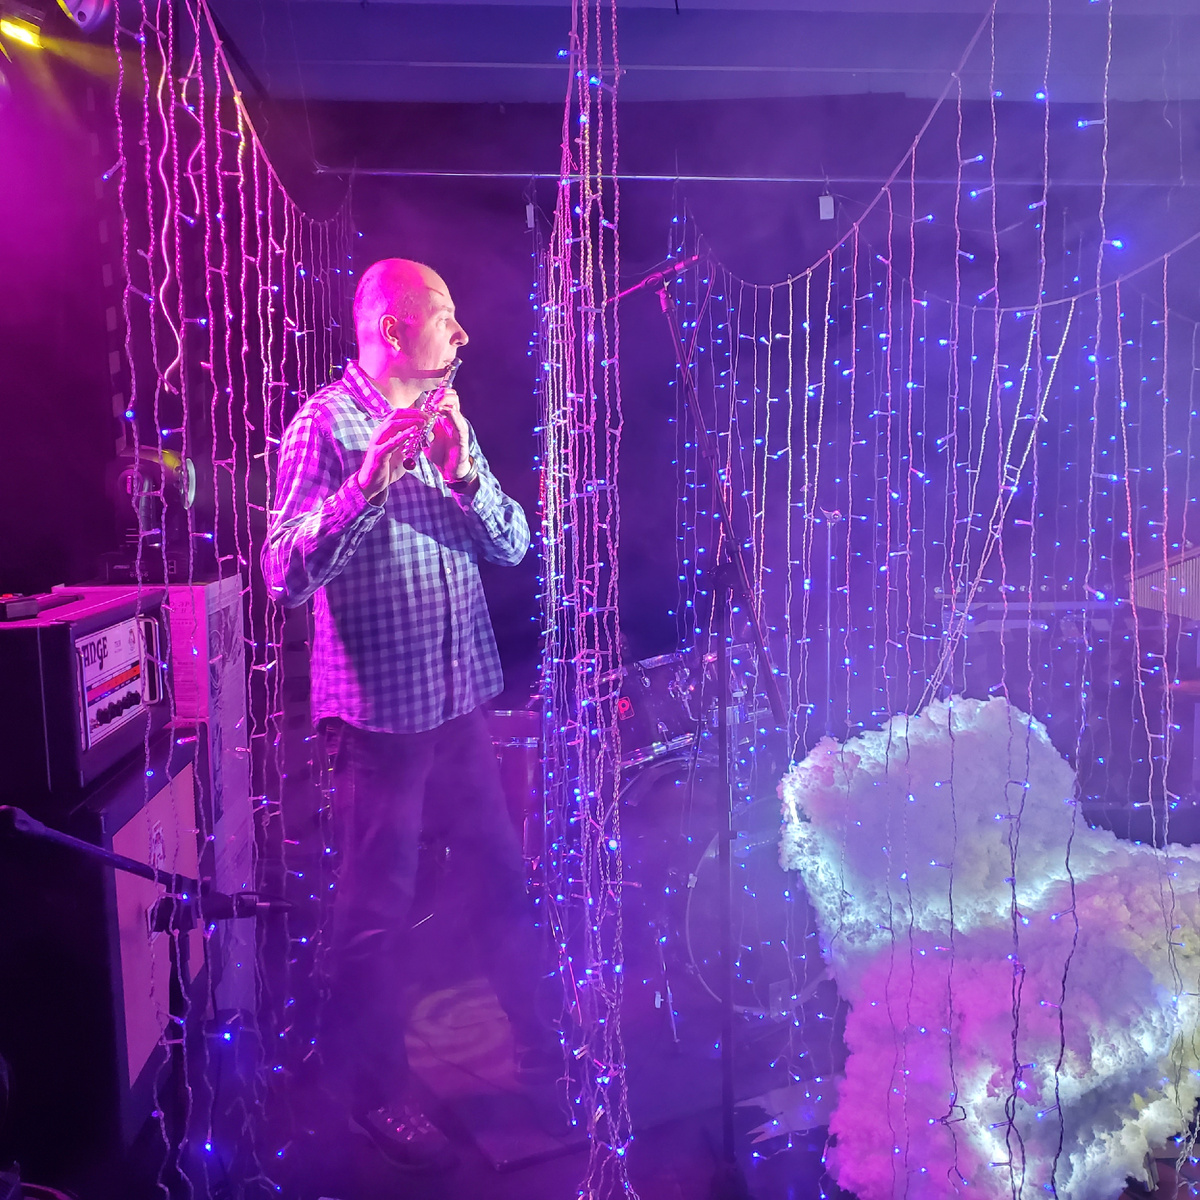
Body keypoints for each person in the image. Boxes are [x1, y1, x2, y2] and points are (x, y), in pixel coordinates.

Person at [262, 258, 554, 1170]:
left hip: (458, 706)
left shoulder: (446, 418)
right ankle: (371, 1094)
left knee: (503, 880)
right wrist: (363, 488)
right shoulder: (324, 425)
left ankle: (547, 1057)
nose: (462, 334)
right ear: (393, 328)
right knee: (375, 916)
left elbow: (515, 546)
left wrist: (465, 476)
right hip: (379, 725)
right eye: (445, 315)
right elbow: (280, 575)